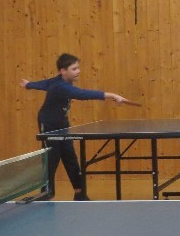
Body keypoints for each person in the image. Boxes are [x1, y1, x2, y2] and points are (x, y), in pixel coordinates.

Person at [21, 53, 130, 200]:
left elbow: (44, 84)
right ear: (63, 71)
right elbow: (82, 94)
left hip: (62, 124)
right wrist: (112, 95)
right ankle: (46, 192)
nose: (78, 71)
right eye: (74, 69)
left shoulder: (59, 81)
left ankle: (79, 193)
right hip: (48, 125)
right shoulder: (61, 86)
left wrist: (29, 85)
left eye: (78, 68)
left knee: (70, 157)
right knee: (52, 158)